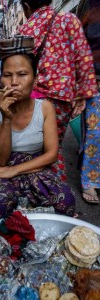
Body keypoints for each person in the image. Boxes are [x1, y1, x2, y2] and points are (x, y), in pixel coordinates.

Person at [0, 36, 76, 228]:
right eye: (7, 75)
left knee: (66, 201)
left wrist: (15, 170)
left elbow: (51, 155)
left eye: (22, 74)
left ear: (35, 78)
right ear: (0, 78)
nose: (14, 82)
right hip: (3, 167)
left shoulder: (45, 108)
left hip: (35, 164)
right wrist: (6, 118)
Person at [19, 0, 98, 182]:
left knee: (42, 148)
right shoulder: (69, 20)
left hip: (35, 98)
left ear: (26, 5)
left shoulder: (25, 30)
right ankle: (54, 191)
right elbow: (84, 58)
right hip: (63, 98)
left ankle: (53, 192)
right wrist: (82, 95)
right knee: (55, 145)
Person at [76, 0, 100, 203]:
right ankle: (90, 181)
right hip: (95, 80)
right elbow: (80, 47)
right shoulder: (89, 7)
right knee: (94, 132)